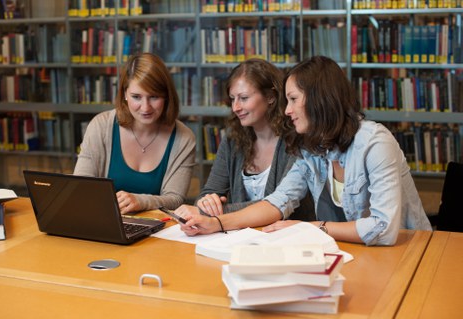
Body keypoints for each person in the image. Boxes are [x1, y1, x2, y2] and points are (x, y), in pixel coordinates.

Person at [175, 56, 431, 246]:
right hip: (354, 251)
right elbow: (278, 201)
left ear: (320, 99)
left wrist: (311, 228)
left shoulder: (376, 143)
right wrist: (216, 223)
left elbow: (383, 229)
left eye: (294, 99)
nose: (287, 110)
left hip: (413, 252)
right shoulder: (311, 148)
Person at [174, 58, 314, 227]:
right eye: (233, 99)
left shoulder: (296, 139)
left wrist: (214, 212)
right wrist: (206, 203)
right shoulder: (233, 139)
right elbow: (208, 193)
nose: (235, 107)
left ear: (270, 97)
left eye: (244, 98)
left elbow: (274, 206)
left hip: (286, 238)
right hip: (238, 237)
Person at [74, 52, 196, 214]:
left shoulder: (183, 138)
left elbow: (174, 199)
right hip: (104, 220)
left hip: (157, 230)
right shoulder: (101, 126)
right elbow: (82, 186)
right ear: (124, 94)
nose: (145, 108)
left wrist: (141, 201)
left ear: (166, 96)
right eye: (136, 97)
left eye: (154, 97)